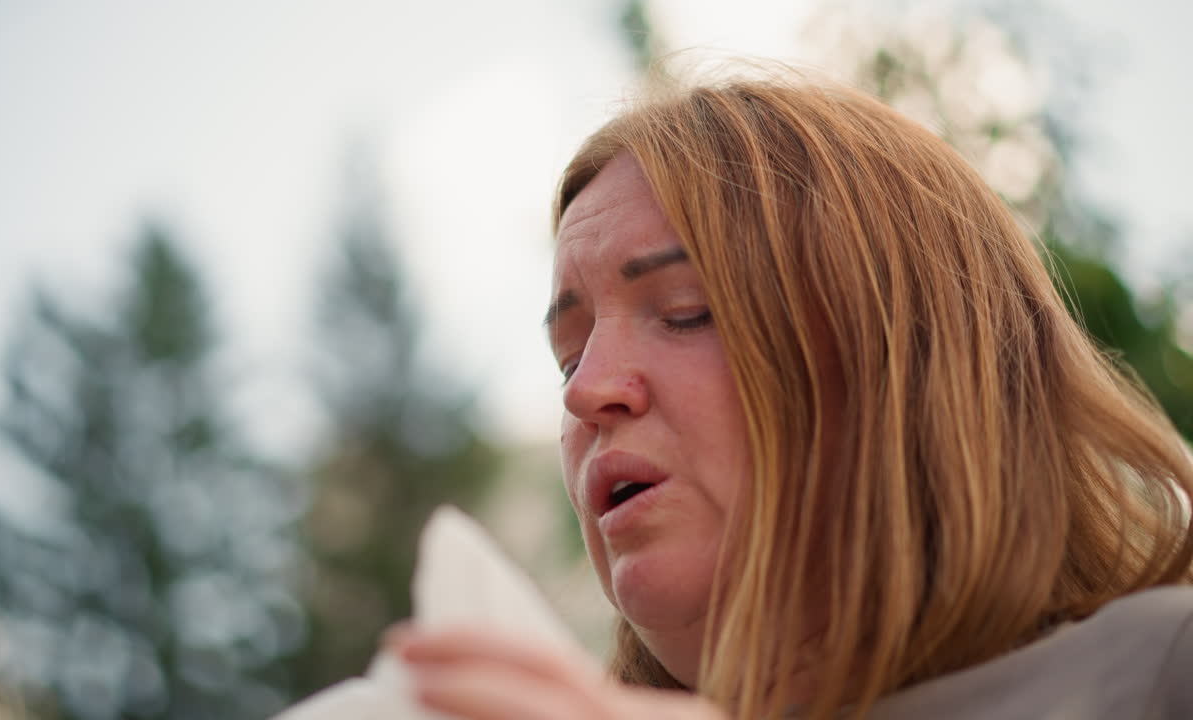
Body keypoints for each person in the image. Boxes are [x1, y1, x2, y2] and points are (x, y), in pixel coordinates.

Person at [388, 71, 1193, 719]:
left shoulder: (1164, 667)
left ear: (905, 359)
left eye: (685, 312)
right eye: (567, 360)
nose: (587, 393)